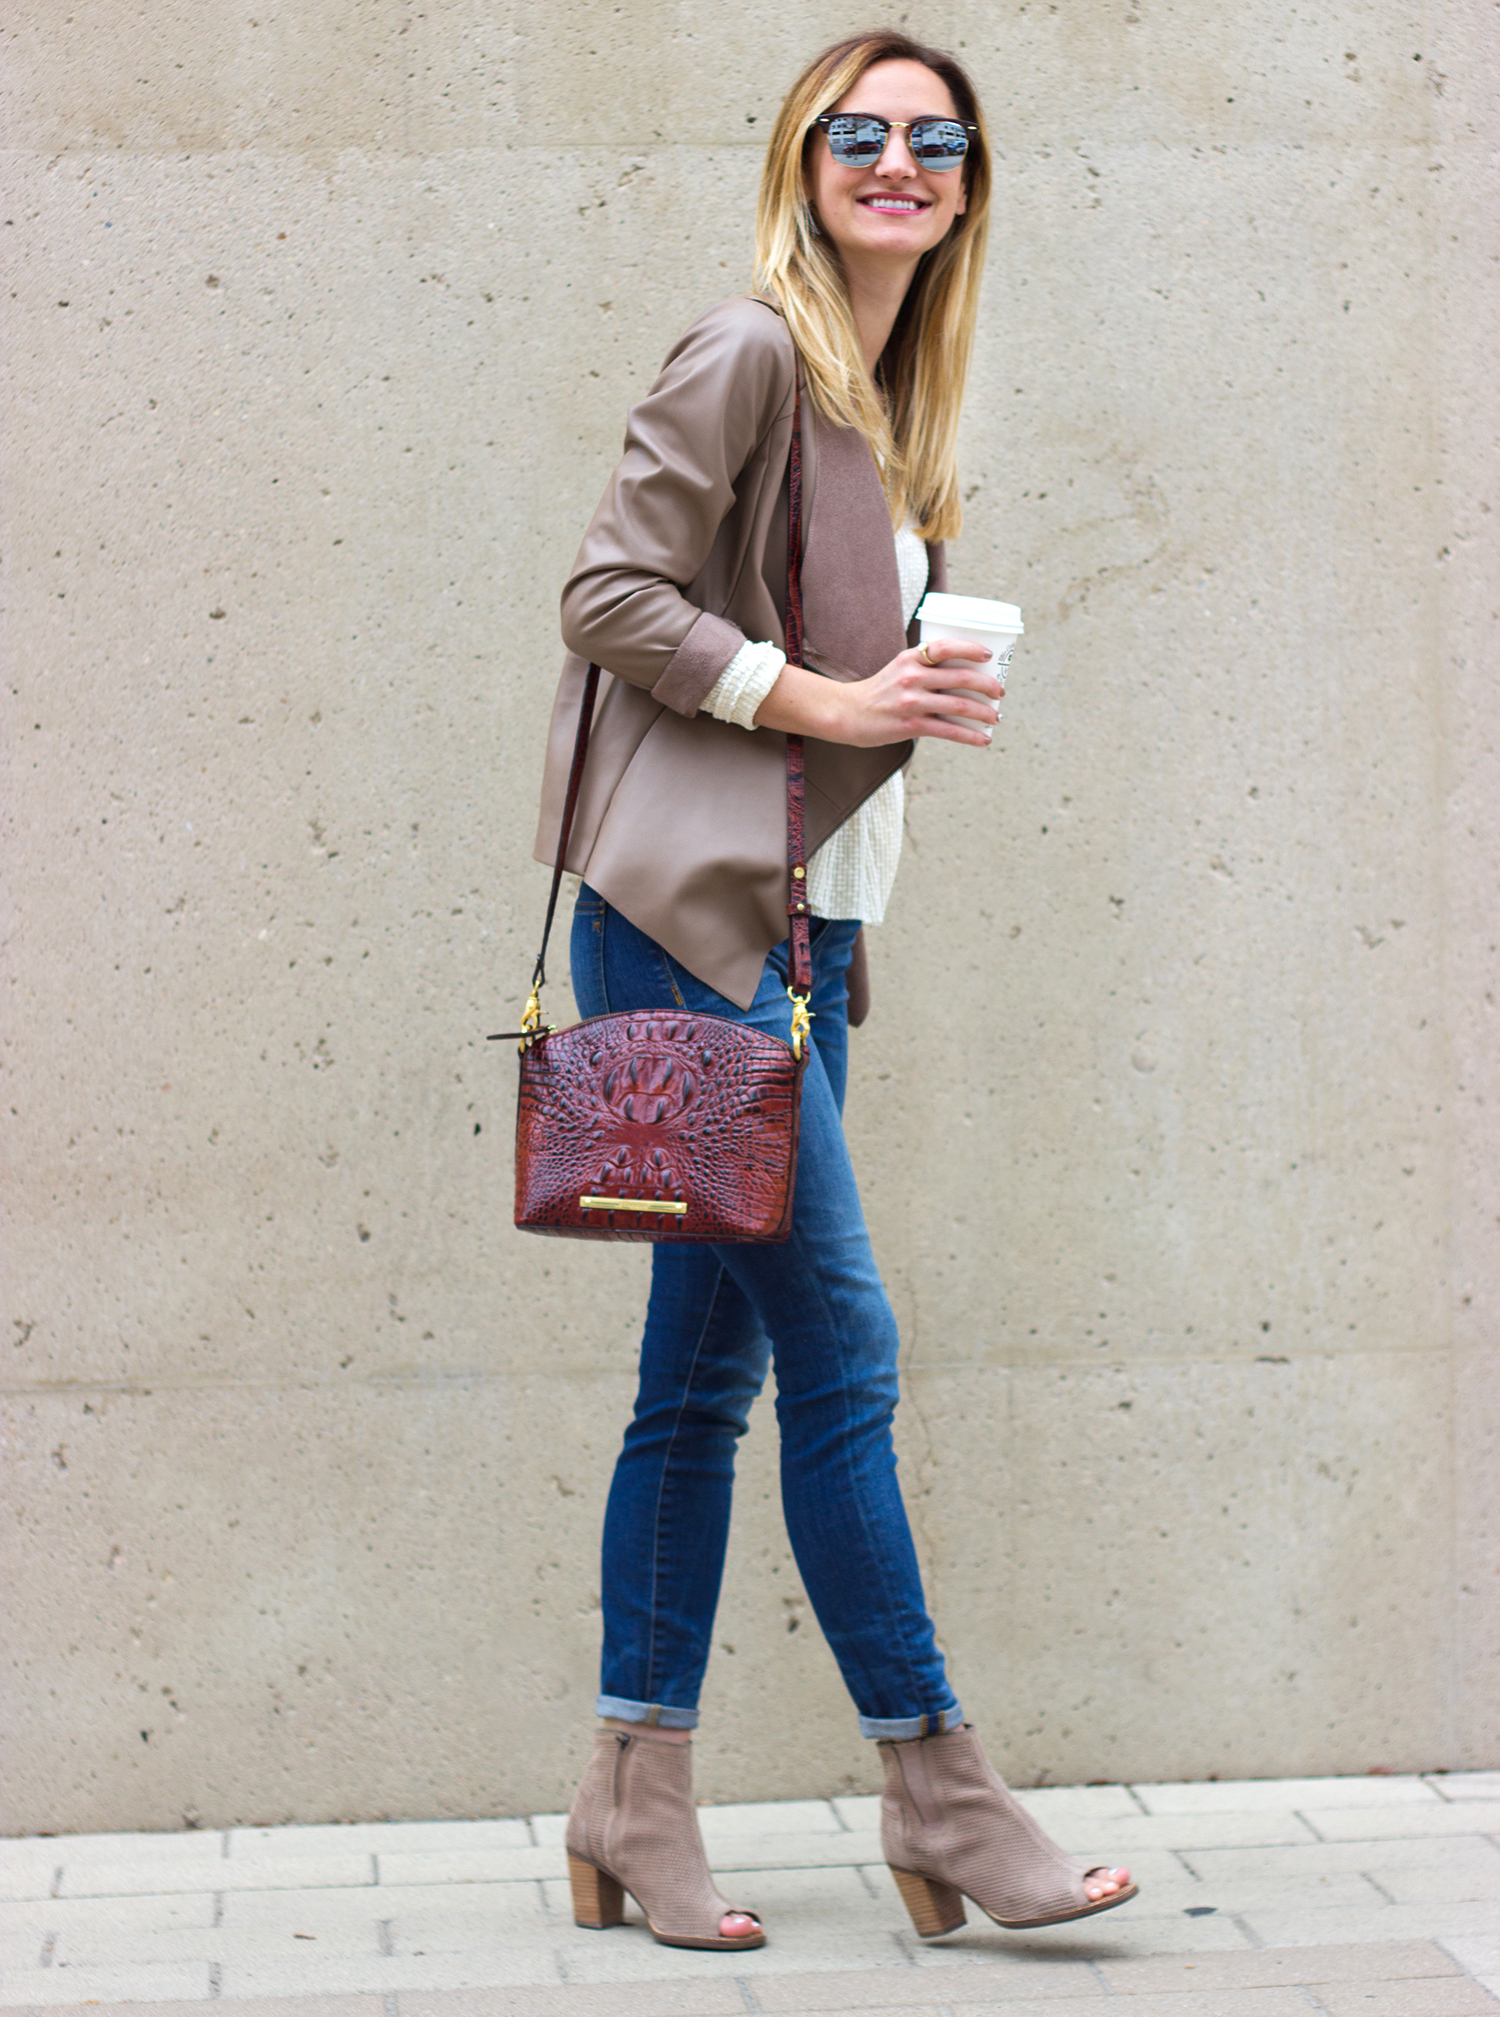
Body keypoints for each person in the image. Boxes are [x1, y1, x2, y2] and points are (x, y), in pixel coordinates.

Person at [538, 30, 1136, 1954]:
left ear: (968, 180)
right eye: (860, 133)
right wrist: (831, 700)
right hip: (694, 929)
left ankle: (632, 1800)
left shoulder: (884, 395)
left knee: (699, 1378)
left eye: (935, 138)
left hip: (809, 941)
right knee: (846, 1353)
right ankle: (938, 1784)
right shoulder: (750, 349)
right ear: (802, 161)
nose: (900, 160)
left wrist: (888, 726)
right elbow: (609, 597)